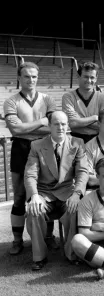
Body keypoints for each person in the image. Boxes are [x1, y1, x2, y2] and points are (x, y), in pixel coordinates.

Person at [3, 62, 57, 255]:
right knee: (18, 196)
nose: (31, 80)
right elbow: (15, 130)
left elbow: (53, 127)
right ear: (19, 78)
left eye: (34, 76)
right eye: (27, 76)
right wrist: (42, 122)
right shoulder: (11, 101)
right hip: (21, 148)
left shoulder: (48, 99)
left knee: (46, 193)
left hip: (44, 147)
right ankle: (17, 240)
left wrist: (29, 126)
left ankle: (48, 237)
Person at [24, 111, 89, 270]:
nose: (60, 127)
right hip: (44, 194)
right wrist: (34, 196)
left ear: (67, 125)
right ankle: (39, 257)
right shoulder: (36, 145)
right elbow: (30, 174)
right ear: (49, 125)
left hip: (68, 192)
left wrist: (77, 193)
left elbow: (83, 172)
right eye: (56, 124)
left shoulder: (77, 143)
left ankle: (72, 253)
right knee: (34, 211)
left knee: (75, 208)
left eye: (63, 124)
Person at [62, 61, 104, 144]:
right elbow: (73, 123)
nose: (89, 80)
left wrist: (79, 120)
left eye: (92, 77)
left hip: (98, 141)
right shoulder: (68, 97)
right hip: (75, 140)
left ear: (96, 78)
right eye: (86, 77)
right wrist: (95, 118)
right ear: (78, 76)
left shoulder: (103, 98)